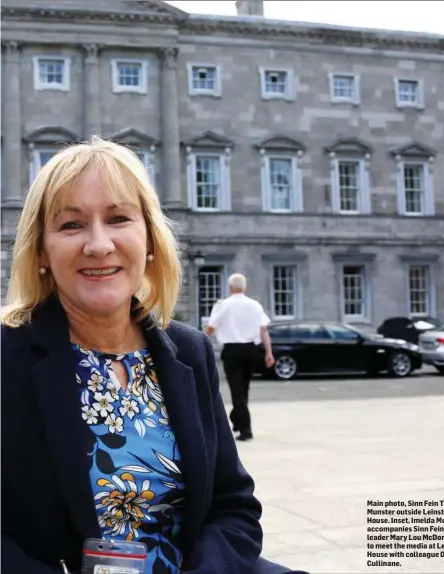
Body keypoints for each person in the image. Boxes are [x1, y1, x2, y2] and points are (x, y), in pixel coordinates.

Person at [0, 137, 308, 574]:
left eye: (119, 218)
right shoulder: (7, 356)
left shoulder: (189, 350)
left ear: (148, 239)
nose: (99, 244)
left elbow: (233, 507)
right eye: (71, 226)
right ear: (41, 251)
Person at [205, 274, 275, 442]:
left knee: (237, 390)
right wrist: (269, 353)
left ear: (229, 288)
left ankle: (245, 429)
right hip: (251, 350)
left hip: (232, 350)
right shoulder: (255, 305)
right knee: (244, 388)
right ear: (244, 287)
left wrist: (198, 344)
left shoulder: (223, 305)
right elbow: (264, 330)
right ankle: (238, 419)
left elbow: (210, 328)